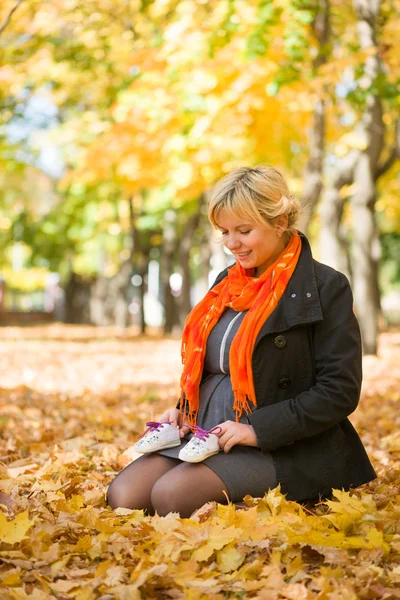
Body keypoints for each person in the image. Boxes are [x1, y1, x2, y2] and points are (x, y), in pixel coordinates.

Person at [107, 165, 376, 517]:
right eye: (225, 232)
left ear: (280, 222)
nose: (232, 243)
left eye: (244, 231)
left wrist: (255, 430)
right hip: (204, 436)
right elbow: (213, 364)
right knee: (124, 495)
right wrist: (182, 410)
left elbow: (339, 389)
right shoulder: (227, 282)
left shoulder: (324, 286)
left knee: (171, 497)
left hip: (278, 444)